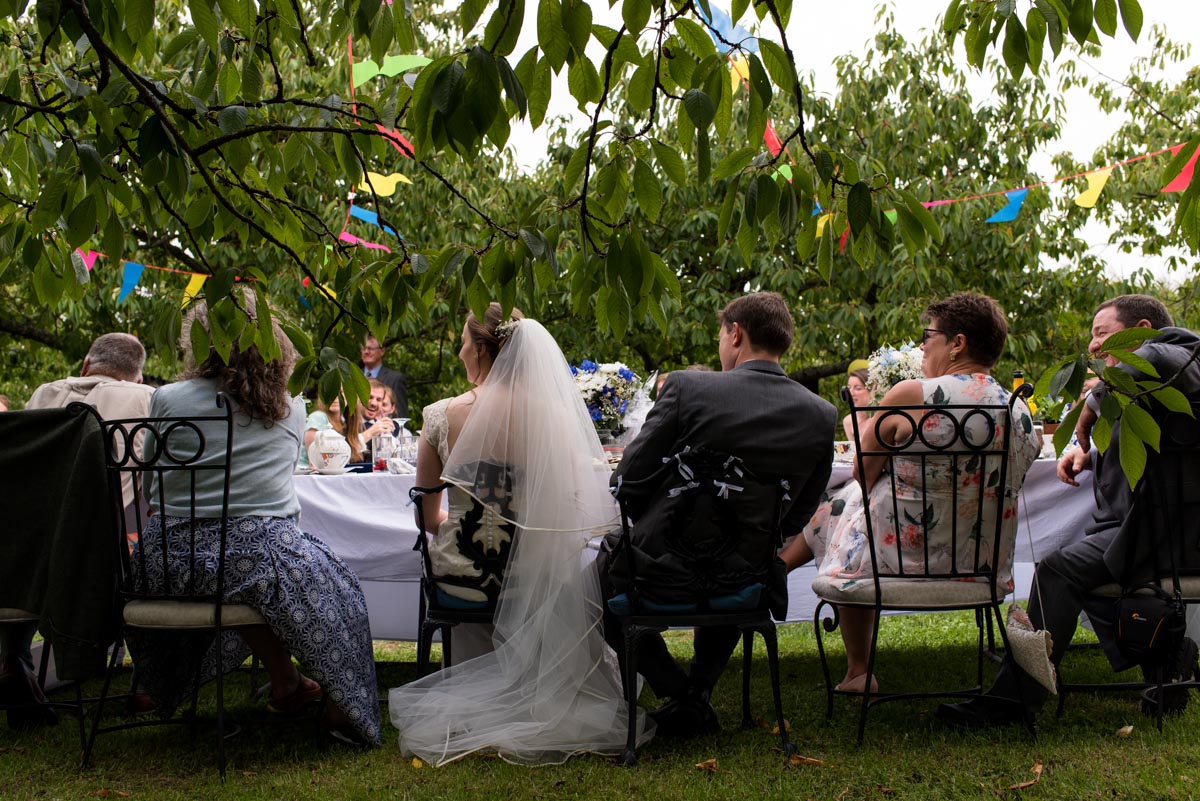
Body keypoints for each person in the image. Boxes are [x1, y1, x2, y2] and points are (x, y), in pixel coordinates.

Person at [389, 304, 646, 765]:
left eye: (464, 341)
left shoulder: (440, 416)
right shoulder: (552, 419)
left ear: (481, 349)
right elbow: (567, 506)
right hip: (531, 575)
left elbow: (428, 519)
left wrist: (461, 529)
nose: (459, 348)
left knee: (447, 545)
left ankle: (465, 679)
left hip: (463, 577)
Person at [936, 294, 1200, 730]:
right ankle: (1166, 659)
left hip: (1172, 541)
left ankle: (1013, 701)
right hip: (1152, 533)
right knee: (1081, 566)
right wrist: (1086, 452)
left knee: (1059, 569)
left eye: (1103, 333)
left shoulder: (1178, 353)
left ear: (1143, 330)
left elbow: (1153, 358)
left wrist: (1088, 411)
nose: (1093, 347)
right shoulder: (1151, 386)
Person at [127, 294, 380, 745]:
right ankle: (341, 706)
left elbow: (151, 490)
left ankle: (272, 684)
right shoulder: (291, 404)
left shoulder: (166, 397)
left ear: (200, 341)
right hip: (255, 557)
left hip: (168, 562)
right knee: (337, 587)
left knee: (260, 569)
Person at [599, 291, 837, 737]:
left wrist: (666, 520)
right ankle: (698, 691)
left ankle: (678, 692)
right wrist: (755, 534)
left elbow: (628, 480)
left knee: (601, 570)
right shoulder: (821, 414)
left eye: (720, 335)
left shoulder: (689, 388)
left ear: (735, 333)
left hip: (660, 570)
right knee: (736, 561)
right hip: (749, 576)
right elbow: (803, 507)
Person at [781, 293, 1040, 694]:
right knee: (845, 506)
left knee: (847, 504)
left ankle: (858, 670)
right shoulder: (1019, 410)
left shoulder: (911, 395)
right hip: (981, 568)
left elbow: (862, 475)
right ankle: (775, 571)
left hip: (897, 562)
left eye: (928, 335)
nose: (922, 345)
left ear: (958, 343)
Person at [0, 333, 154, 730]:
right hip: (97, 550)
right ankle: (147, 678)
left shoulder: (44, 394)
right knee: (154, 536)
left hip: (23, 552)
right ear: (136, 378)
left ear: (85, 365)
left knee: (35, 538)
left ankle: (13, 658)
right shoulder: (144, 399)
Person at [297, 392, 392, 470]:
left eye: (342, 393)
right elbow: (315, 464)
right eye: (332, 391)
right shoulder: (318, 417)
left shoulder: (344, 421)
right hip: (306, 479)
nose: (336, 397)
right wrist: (370, 433)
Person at [361, 334, 408, 418]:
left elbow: (401, 416)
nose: (366, 352)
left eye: (370, 348)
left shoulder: (395, 379)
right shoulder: (352, 377)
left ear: (382, 351)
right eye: (363, 348)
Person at [842, 367, 871, 441]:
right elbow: (853, 450)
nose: (850, 393)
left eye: (857, 388)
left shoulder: (880, 418)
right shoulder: (848, 421)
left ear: (872, 391)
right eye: (848, 388)